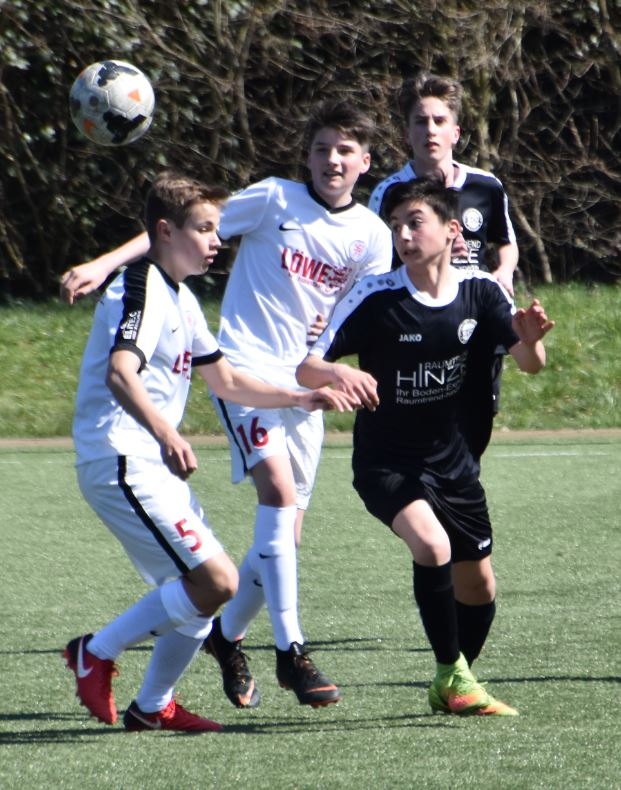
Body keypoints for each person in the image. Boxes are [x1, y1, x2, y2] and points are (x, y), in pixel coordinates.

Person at [60, 100, 393, 710]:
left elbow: (355, 317)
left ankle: (180, 681)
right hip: (214, 389)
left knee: (265, 551)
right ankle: (290, 652)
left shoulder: (369, 236)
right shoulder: (268, 202)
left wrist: (318, 378)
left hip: (289, 384)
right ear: (306, 157)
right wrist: (104, 262)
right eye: (321, 148)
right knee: (268, 506)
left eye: (344, 150)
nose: (331, 160)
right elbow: (175, 230)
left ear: (365, 162)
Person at [296, 178, 554, 716]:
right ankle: (453, 676)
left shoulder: (481, 290)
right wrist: (339, 374)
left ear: (452, 230)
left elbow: (531, 364)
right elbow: (308, 366)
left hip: (454, 465)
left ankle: (452, 680)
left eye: (415, 223)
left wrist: (530, 341)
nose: (404, 236)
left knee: (479, 587)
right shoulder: (375, 297)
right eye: (397, 227)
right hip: (386, 463)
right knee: (432, 547)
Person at [369, 72, 520, 459]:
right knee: (423, 423)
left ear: (456, 131)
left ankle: (457, 488)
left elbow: (506, 243)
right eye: (421, 121)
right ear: (408, 132)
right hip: (421, 323)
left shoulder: (486, 186)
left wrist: (503, 272)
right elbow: (376, 264)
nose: (430, 130)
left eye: (439, 121)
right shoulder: (389, 192)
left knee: (475, 425)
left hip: (477, 319)